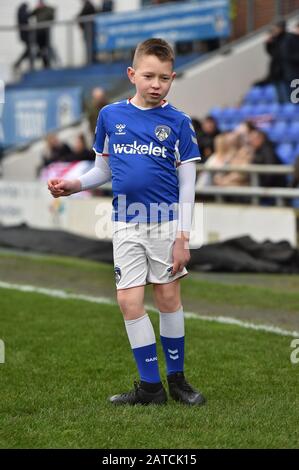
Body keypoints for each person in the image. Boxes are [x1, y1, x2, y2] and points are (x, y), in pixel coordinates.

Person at [48, 38, 205, 406]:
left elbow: (188, 186)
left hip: (166, 224)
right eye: (149, 75)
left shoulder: (179, 122)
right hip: (125, 222)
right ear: (132, 74)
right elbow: (102, 169)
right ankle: (151, 388)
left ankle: (178, 380)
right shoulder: (110, 116)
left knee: (167, 297)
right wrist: (74, 184)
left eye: (164, 78)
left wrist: (183, 236)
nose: (156, 84)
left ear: (172, 78)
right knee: (128, 301)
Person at [30, 0, 56, 68]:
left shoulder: (48, 9)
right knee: (41, 49)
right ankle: (45, 63)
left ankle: (50, 63)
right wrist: (37, 8)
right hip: (38, 33)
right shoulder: (38, 10)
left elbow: (51, 16)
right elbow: (31, 14)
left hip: (45, 32)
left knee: (47, 48)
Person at [13, 3, 34, 71]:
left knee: (29, 50)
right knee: (29, 50)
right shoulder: (22, 12)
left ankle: (19, 63)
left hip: (25, 34)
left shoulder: (21, 12)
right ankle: (18, 63)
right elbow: (25, 17)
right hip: (25, 35)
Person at [77, 0, 97, 64]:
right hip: (87, 28)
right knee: (88, 44)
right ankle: (90, 59)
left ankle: (90, 60)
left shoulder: (88, 5)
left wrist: (78, 17)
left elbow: (82, 15)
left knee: (89, 44)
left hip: (89, 28)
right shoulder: (87, 5)